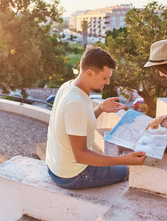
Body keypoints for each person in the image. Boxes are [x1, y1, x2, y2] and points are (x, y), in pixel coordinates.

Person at [46, 46, 146, 190]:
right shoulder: (77, 103)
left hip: (56, 166)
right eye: (105, 78)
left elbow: (77, 123)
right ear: (90, 73)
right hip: (72, 175)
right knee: (130, 171)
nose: (108, 82)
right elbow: (80, 155)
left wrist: (100, 108)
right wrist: (123, 160)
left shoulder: (68, 86)